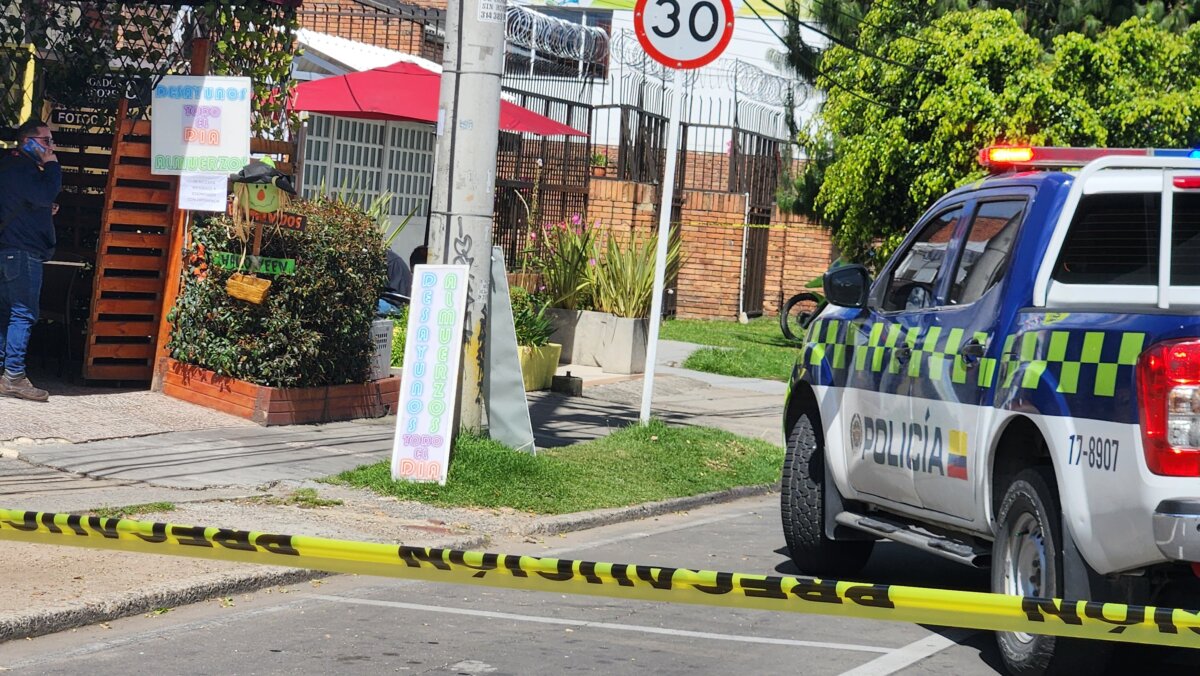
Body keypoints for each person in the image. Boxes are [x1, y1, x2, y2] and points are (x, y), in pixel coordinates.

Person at [0, 119, 62, 402]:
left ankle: (6, 373)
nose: (51, 147)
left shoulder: (9, 166)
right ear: (28, 141)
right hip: (21, 254)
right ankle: (13, 376)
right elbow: (45, 192)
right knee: (23, 313)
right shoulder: (23, 167)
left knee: (5, 314)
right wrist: (52, 165)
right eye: (46, 141)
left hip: (7, 251)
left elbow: (25, 203)